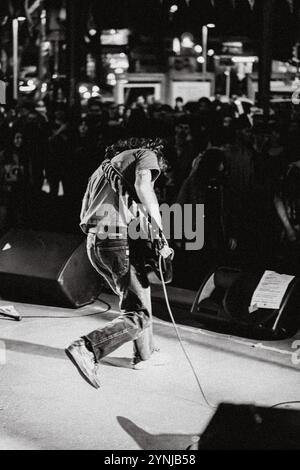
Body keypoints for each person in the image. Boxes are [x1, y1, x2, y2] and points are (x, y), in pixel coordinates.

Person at [66, 138, 173, 388]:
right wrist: (160, 230)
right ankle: (89, 347)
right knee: (138, 313)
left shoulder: (102, 170)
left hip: (96, 243)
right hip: (115, 241)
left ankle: (145, 355)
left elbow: (99, 210)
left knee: (139, 298)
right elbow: (144, 187)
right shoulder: (146, 154)